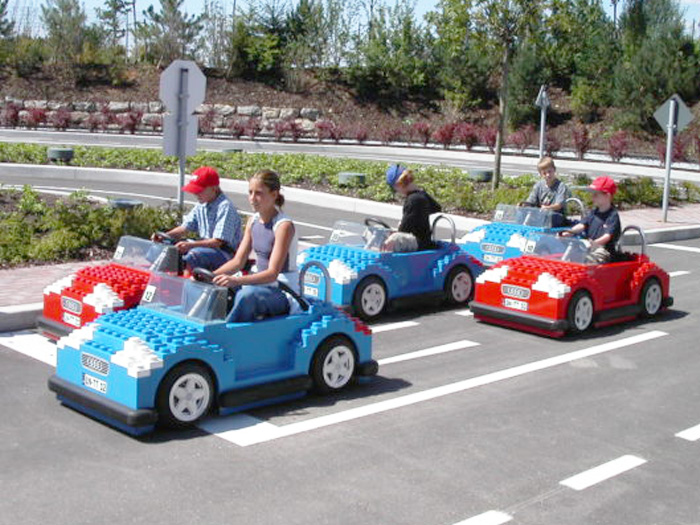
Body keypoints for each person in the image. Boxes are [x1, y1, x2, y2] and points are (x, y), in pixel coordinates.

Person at [212, 170, 298, 322]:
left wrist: (236, 281)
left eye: (259, 193)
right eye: (250, 192)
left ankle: (226, 334)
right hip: (259, 285)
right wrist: (210, 276)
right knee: (217, 290)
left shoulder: (283, 226)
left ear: (274, 194)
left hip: (281, 289)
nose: (252, 199)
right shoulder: (253, 221)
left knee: (246, 296)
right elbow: (238, 261)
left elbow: (272, 273)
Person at [153, 166, 242, 272]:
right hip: (204, 247)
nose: (196, 194)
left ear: (214, 188)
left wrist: (191, 245)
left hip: (224, 254)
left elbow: (217, 242)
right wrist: (165, 236)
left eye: (200, 190)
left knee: (194, 255)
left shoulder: (225, 207)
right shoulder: (201, 205)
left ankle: (185, 284)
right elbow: (185, 227)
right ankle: (153, 278)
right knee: (163, 248)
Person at [560, 176, 621, 263]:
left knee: (590, 260)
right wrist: (570, 232)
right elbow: (582, 225)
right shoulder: (594, 212)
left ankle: (589, 274)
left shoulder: (612, 215)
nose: (592, 198)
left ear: (607, 196)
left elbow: (607, 236)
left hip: (603, 249)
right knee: (571, 254)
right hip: (589, 246)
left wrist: (594, 243)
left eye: (596, 195)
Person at [385, 164, 442, 251]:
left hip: (419, 243)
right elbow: (437, 207)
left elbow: (404, 229)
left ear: (399, 185)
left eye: (394, 189)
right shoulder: (421, 195)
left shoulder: (413, 200)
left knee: (392, 239)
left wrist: (396, 230)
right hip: (424, 241)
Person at [523, 156, 571, 226]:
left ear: (554, 170)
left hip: (556, 216)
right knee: (521, 214)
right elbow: (531, 201)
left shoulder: (561, 186)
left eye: (549, 171)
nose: (548, 175)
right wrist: (524, 205)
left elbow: (559, 205)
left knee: (550, 217)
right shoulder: (538, 185)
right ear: (541, 174)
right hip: (541, 215)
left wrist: (547, 208)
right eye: (544, 173)